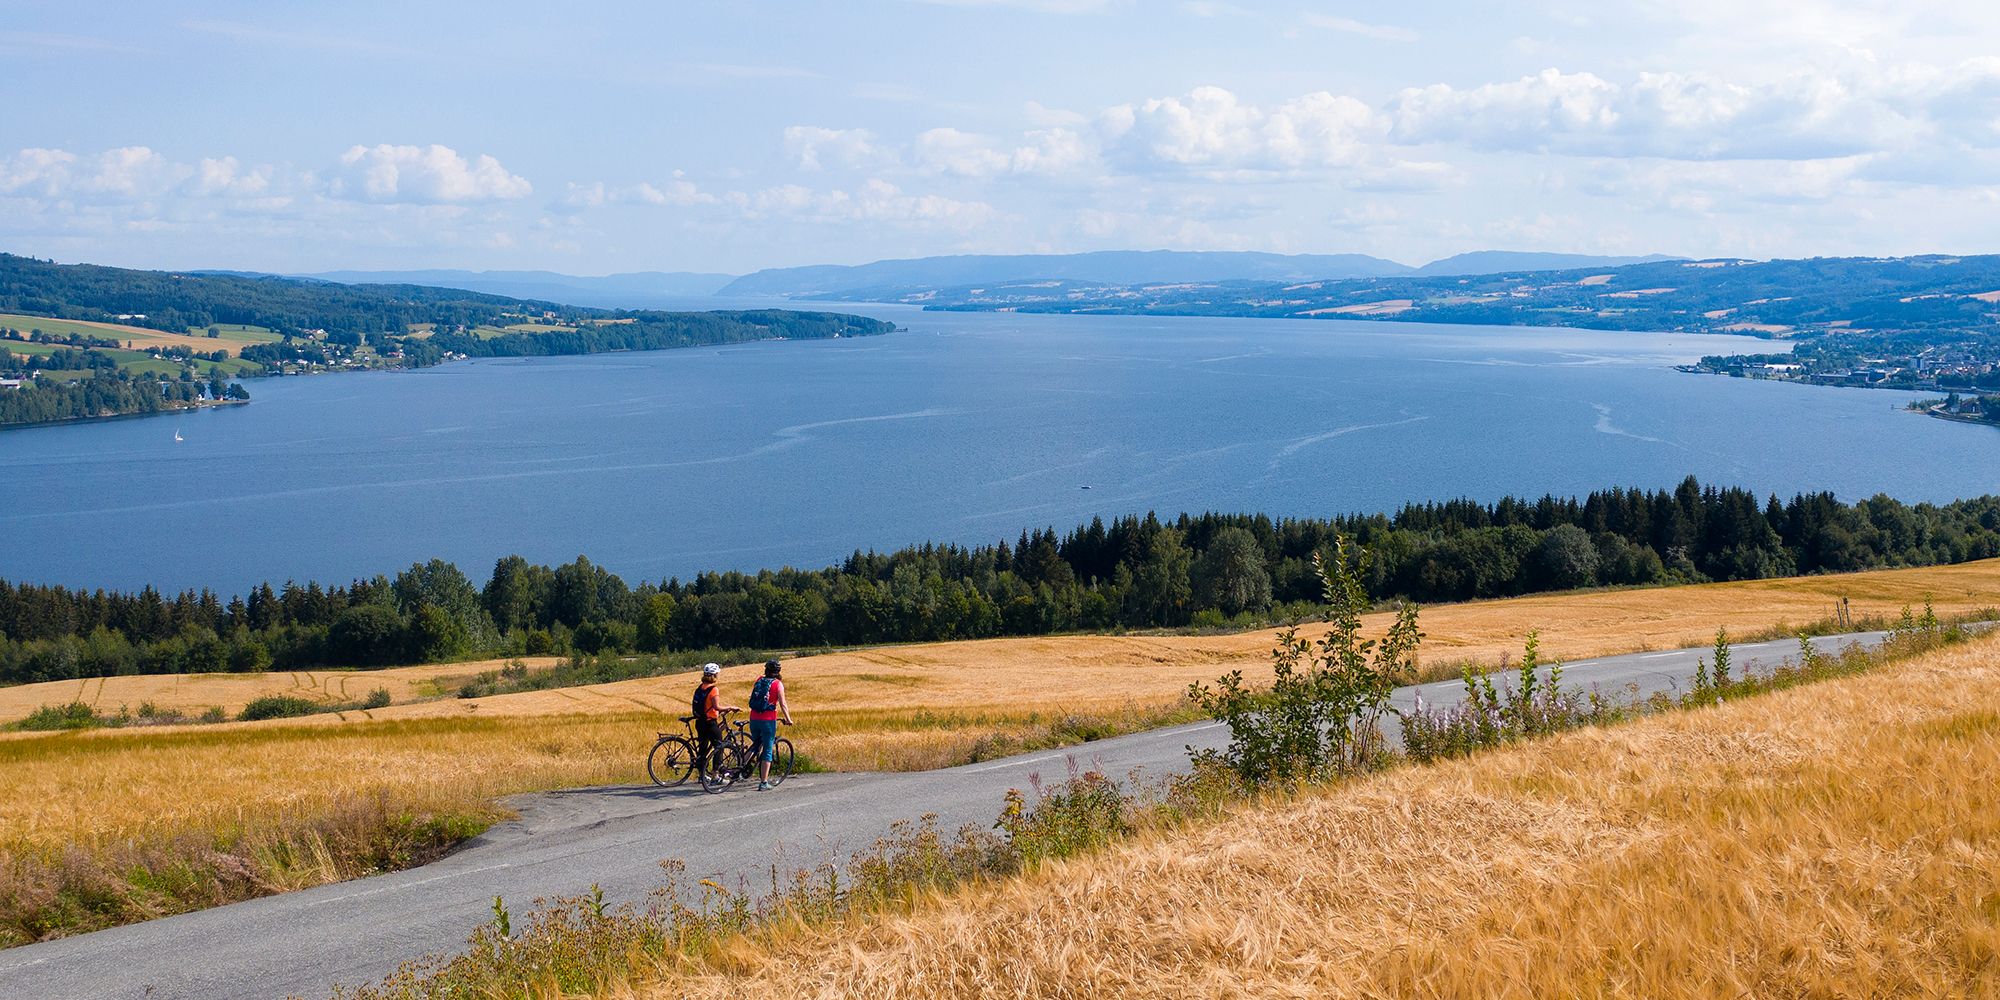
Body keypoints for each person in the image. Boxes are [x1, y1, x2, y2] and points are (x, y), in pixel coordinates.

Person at [746, 658, 794, 790]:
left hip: (754, 717)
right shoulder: (777, 684)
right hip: (768, 720)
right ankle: (763, 782)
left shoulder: (759, 680)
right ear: (778, 671)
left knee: (755, 745)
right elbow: (783, 704)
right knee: (767, 749)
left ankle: (740, 769)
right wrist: (788, 719)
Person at [691, 663, 741, 783]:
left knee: (702, 750)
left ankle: (701, 776)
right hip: (710, 723)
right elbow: (716, 707)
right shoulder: (713, 689)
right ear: (715, 675)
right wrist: (730, 707)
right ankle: (715, 776)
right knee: (719, 747)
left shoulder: (700, 687)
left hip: (699, 722)